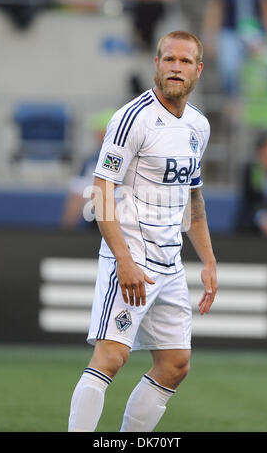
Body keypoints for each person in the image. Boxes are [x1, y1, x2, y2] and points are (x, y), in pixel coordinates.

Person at [68, 30, 218, 432]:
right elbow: (100, 191)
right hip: (129, 258)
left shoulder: (198, 126)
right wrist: (123, 261)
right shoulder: (131, 118)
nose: (175, 67)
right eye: (169, 59)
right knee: (111, 358)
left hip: (169, 266)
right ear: (157, 64)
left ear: (198, 70)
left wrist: (208, 260)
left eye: (185, 62)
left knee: (175, 365)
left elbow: (194, 199)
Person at [61, 109, 114, 229]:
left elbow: (78, 195)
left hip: (107, 223)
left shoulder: (94, 160)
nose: (96, 134)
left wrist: (66, 228)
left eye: (99, 130)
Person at [237, 131, 267, 237]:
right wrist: (262, 219)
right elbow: (248, 204)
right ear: (260, 153)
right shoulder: (250, 172)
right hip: (255, 230)